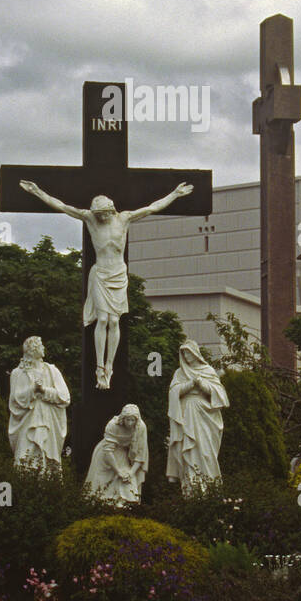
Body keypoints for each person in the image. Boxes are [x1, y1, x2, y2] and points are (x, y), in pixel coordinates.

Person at [19, 179, 193, 387]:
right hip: (101, 273)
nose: (101, 217)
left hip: (118, 274)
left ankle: (110, 366)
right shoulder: (90, 219)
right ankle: (99, 367)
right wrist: (38, 191)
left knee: (114, 321)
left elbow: (152, 208)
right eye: (99, 215)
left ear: (111, 210)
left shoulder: (124, 218)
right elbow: (63, 206)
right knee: (102, 320)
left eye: (104, 214)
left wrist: (175, 194)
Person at [166, 340, 229, 493]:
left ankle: (209, 485)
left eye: (188, 352)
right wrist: (190, 384)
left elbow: (220, 394)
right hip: (186, 413)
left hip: (205, 414)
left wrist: (202, 384)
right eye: (184, 353)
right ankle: (191, 487)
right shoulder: (180, 373)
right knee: (189, 449)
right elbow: (173, 392)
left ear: (195, 353)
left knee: (205, 449)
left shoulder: (207, 370)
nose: (186, 356)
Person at [8, 336, 70, 471]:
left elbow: (64, 397)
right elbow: (15, 400)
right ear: (31, 350)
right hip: (28, 422)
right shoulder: (18, 373)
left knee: (48, 464)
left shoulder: (52, 370)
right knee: (25, 460)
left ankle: (48, 488)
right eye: (40, 345)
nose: (43, 348)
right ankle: (24, 488)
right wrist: (32, 390)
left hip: (49, 422)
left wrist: (43, 390)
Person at [84, 404, 149, 505]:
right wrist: (118, 471)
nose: (130, 423)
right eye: (128, 420)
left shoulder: (141, 427)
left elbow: (141, 454)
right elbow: (108, 451)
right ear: (123, 418)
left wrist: (131, 473)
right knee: (100, 491)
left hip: (123, 455)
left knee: (128, 486)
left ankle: (125, 513)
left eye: (133, 420)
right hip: (105, 456)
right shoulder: (113, 425)